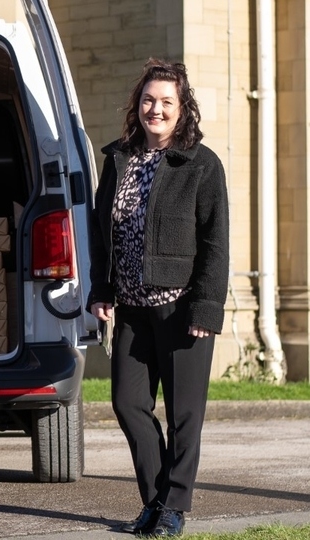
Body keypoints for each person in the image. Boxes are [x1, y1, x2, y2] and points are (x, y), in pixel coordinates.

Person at [87, 59, 229, 537]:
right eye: (149, 100)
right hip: (131, 306)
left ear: (182, 108)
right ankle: (155, 500)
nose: (156, 109)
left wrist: (208, 306)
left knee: (184, 415)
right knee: (128, 404)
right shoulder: (120, 158)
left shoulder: (201, 164)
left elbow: (215, 240)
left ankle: (174, 507)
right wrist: (101, 289)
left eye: (167, 101)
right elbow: (100, 229)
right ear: (138, 105)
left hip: (183, 306)